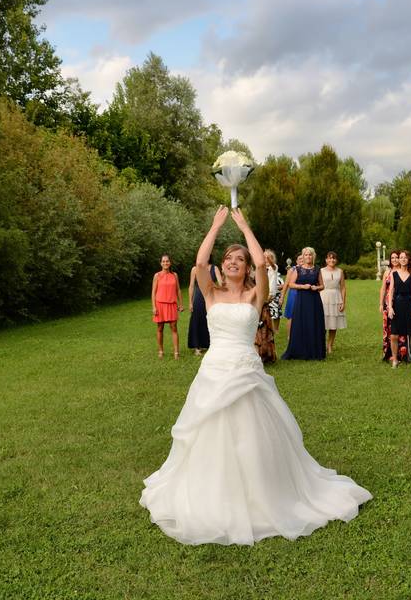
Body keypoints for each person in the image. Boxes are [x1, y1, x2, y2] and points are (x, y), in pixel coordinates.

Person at [140, 207, 371, 545]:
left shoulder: (254, 294)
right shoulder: (212, 292)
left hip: (247, 372)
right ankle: (216, 492)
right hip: (215, 372)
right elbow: (200, 263)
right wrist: (216, 227)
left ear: (247, 268)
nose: (233, 262)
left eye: (240, 259)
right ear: (224, 266)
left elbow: (263, 264)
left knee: (252, 436)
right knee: (210, 435)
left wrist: (245, 225)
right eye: (229, 258)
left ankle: (261, 493)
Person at [281, 247, 326, 360]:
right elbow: (291, 284)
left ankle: (314, 351)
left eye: (310, 255)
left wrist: (317, 287)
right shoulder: (297, 269)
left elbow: (322, 286)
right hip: (301, 299)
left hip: (314, 300)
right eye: (306, 255)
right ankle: (300, 351)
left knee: (314, 323)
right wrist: (302, 287)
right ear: (303, 256)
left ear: (313, 256)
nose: (308, 257)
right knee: (301, 323)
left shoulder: (317, 269)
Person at [387, 250, 411, 369]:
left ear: (408, 260)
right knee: (394, 335)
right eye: (401, 257)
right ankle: (395, 360)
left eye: (405, 257)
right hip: (397, 305)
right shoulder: (394, 274)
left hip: (410, 305)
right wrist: (390, 307)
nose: (402, 259)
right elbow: (391, 291)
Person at [152, 254, 183, 359]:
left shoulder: (175, 275)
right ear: (161, 263)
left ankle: (176, 353)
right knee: (160, 328)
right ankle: (161, 351)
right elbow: (153, 292)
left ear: (170, 263)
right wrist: (154, 307)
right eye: (163, 261)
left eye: (167, 261)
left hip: (172, 304)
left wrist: (181, 304)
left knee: (174, 328)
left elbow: (178, 290)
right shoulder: (157, 275)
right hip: (160, 304)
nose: (165, 263)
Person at [380, 250, 408, 364]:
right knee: (389, 329)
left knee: (400, 329)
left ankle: (402, 354)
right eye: (392, 258)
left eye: (397, 257)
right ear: (390, 260)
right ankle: (389, 354)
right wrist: (381, 304)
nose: (395, 260)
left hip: (400, 303)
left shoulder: (404, 271)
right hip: (388, 304)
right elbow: (382, 289)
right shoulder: (387, 272)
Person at [187, 263, 217, 355]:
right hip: (198, 298)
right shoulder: (194, 269)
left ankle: (210, 345)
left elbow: (220, 283)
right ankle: (197, 347)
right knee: (196, 320)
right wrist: (190, 302)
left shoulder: (214, 268)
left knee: (210, 321)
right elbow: (191, 286)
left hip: (211, 298)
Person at [320, 251, 347, 354]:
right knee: (323, 322)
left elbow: (343, 287)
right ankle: (321, 344)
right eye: (329, 258)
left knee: (333, 323)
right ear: (326, 260)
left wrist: (343, 302)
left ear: (336, 260)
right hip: (323, 297)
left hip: (336, 297)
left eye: (334, 258)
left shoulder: (340, 271)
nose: (332, 260)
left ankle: (330, 345)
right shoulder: (321, 271)